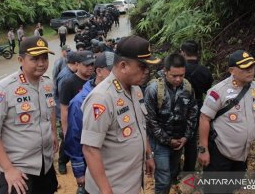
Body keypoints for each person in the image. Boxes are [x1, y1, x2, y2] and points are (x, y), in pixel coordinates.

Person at [81, 35, 159, 194]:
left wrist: (148, 154)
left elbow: (140, 126)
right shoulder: (101, 98)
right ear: (123, 65)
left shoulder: (135, 89)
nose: (146, 72)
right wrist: (106, 190)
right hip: (111, 188)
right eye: (142, 67)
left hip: (131, 183)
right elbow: (90, 149)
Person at [0, 36, 59, 194]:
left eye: (44, 58)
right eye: (35, 59)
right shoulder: (3, 89)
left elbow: (50, 108)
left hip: (46, 164)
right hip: (20, 170)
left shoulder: (47, 84)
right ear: (20, 60)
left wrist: (53, 131)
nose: (41, 63)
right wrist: (9, 169)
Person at [198, 50, 255, 193]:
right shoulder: (218, 91)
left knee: (232, 188)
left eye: (252, 67)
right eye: (245, 68)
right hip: (220, 152)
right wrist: (203, 150)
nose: (250, 71)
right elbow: (204, 118)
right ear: (232, 70)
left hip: (242, 154)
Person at [144, 53, 198, 194]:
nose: (178, 79)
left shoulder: (187, 87)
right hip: (160, 142)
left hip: (179, 140)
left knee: (173, 172)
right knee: (163, 178)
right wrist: (168, 140)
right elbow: (150, 120)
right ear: (165, 71)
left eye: (181, 75)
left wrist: (186, 137)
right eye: (174, 75)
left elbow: (193, 112)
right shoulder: (154, 89)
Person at [64, 52, 115, 194]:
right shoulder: (80, 101)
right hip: (90, 165)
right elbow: (74, 138)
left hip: (112, 165)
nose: (116, 75)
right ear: (99, 71)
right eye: (112, 71)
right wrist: (79, 171)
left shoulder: (117, 94)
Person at [180, 40, 213, 172]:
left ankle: (175, 170)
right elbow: (208, 90)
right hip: (198, 108)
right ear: (197, 53)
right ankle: (189, 170)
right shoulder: (204, 71)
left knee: (176, 137)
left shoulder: (179, 69)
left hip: (178, 109)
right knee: (192, 140)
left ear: (183, 52)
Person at [54, 52, 79, 175]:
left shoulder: (70, 73)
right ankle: (62, 162)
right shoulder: (66, 77)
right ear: (76, 64)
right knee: (66, 137)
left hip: (70, 111)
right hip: (63, 112)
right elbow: (63, 97)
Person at [59, 51, 94, 137]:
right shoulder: (68, 83)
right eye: (87, 65)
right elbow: (64, 110)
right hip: (76, 126)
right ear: (77, 64)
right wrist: (66, 132)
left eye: (92, 64)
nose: (90, 67)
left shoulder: (94, 79)